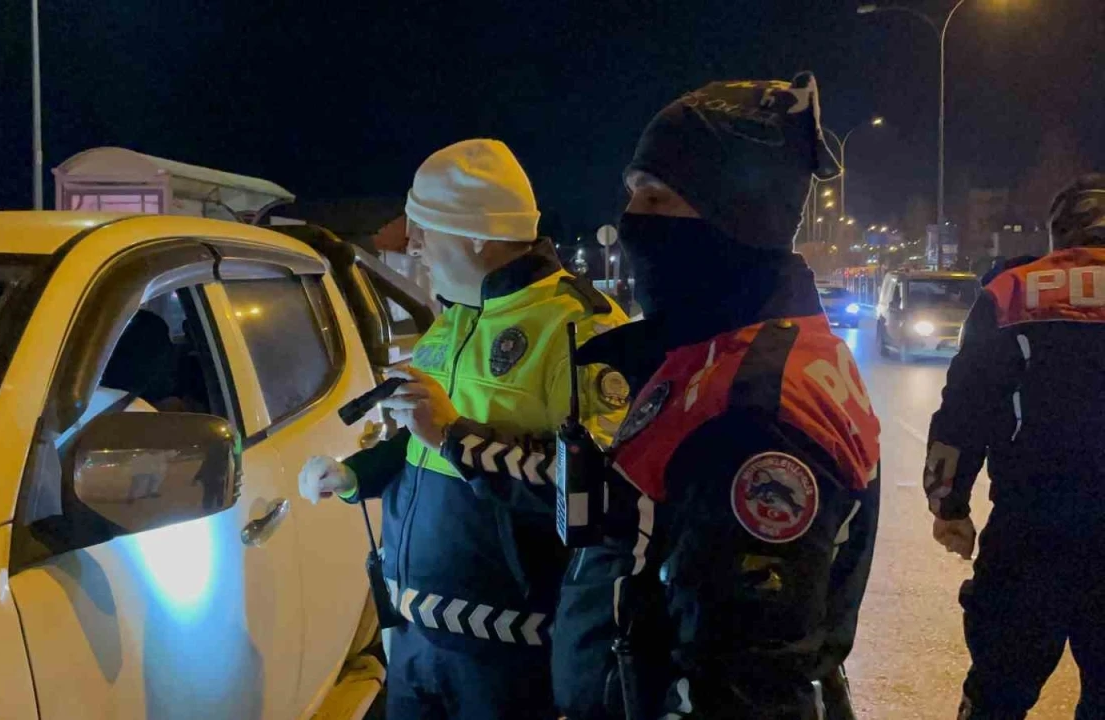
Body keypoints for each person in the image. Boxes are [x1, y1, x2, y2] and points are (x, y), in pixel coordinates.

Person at [552, 73, 882, 720]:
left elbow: (746, 689)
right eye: (632, 193)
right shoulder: (715, 354)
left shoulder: (755, 411)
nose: (631, 220)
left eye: (657, 196)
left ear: (736, 215)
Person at [297, 138, 631, 720]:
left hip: (509, 653)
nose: (413, 245)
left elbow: (599, 494)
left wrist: (455, 437)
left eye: (423, 229)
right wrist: (354, 477)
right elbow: (419, 440)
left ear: (478, 233)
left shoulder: (580, 327)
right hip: (415, 637)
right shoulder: (453, 319)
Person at [923, 172, 1105, 719]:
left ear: (1059, 232)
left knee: (997, 695)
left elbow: (964, 407)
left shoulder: (1013, 291)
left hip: (1031, 532)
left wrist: (948, 506)